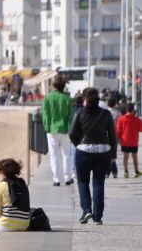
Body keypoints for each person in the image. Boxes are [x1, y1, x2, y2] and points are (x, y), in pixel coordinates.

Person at [69, 86, 117, 225]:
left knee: (83, 181)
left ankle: (86, 210)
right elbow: (113, 136)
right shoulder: (106, 114)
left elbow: (72, 133)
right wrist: (113, 154)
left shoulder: (79, 112)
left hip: (84, 151)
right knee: (98, 183)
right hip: (103, 152)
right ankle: (98, 217)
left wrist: (78, 144)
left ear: (85, 99)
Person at [41, 75, 74, 186]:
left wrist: (46, 126)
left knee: (54, 154)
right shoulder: (67, 98)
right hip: (65, 129)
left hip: (51, 129)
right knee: (66, 154)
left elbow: (44, 114)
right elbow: (71, 115)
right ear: (64, 86)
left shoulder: (47, 97)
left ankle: (56, 179)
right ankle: (68, 178)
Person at [116, 103, 142, 178]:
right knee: (134, 157)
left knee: (125, 156)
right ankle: (136, 171)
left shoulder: (121, 119)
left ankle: (126, 171)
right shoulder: (136, 119)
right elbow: (141, 129)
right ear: (133, 110)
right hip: (134, 141)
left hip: (124, 140)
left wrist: (119, 139)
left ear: (126, 110)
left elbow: (118, 130)